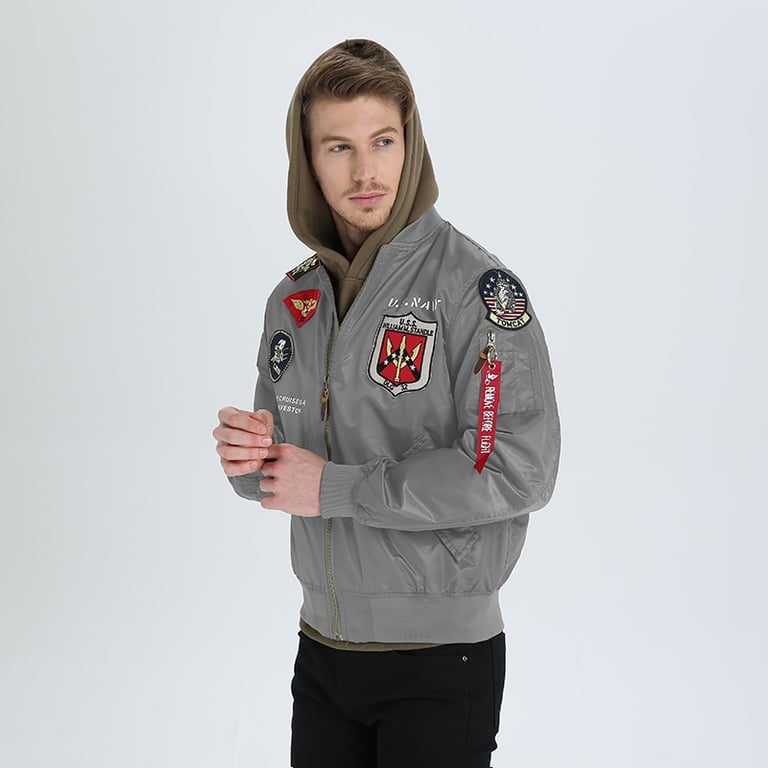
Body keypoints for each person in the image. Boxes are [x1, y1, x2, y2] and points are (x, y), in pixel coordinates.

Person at [213, 39, 560, 768]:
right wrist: (250, 460)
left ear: (412, 145)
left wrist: (335, 488)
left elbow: (518, 470)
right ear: (307, 161)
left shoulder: (477, 292)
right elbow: (283, 475)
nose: (365, 171)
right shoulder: (295, 300)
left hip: (441, 661)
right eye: (339, 147)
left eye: (383, 141)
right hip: (323, 648)